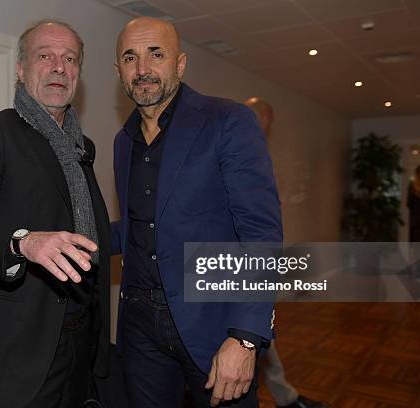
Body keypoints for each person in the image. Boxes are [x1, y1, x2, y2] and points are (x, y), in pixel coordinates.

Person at [0, 20, 111, 408]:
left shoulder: (82, 148)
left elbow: (84, 233)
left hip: (80, 342)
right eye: (45, 56)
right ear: (21, 68)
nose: (59, 67)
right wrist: (22, 243)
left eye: (70, 59)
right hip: (20, 352)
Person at [111, 17, 282, 408]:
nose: (142, 70)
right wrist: (62, 237)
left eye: (156, 54)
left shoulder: (229, 121)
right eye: (130, 57)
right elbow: (141, 228)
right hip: (139, 327)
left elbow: (261, 234)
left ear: (180, 64)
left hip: (213, 324)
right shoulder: (124, 142)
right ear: (118, 70)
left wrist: (245, 337)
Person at [245, 97, 330, 408]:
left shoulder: (256, 154)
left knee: (261, 335)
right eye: (266, 121)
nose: (266, 128)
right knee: (253, 334)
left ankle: (286, 398)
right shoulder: (238, 151)